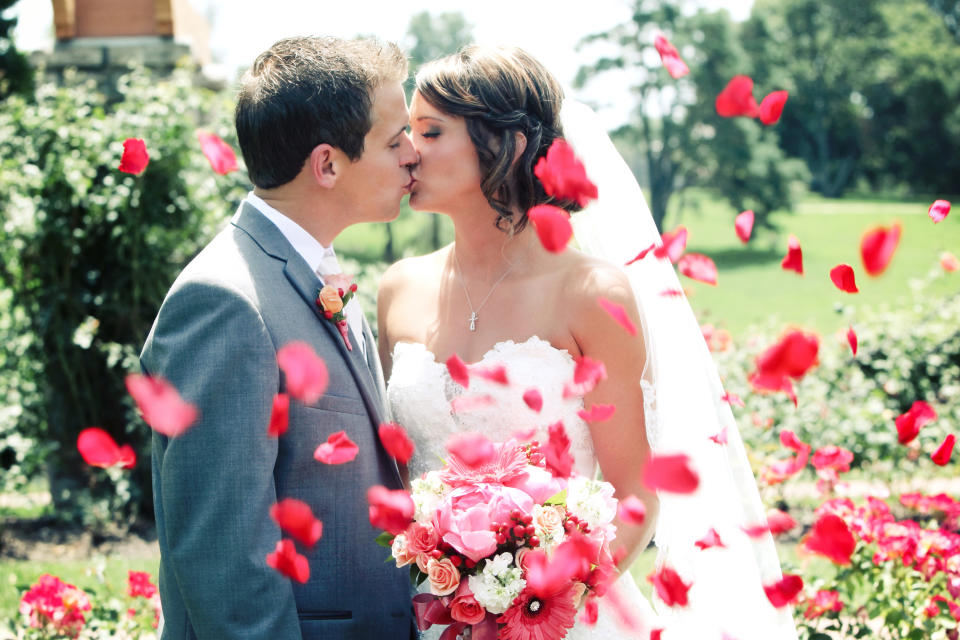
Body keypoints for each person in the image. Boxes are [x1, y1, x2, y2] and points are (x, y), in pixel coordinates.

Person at [379, 46, 799, 639]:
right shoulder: (398, 289)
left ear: (509, 145)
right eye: (406, 130)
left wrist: (532, 611)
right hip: (426, 615)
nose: (408, 150)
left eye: (430, 130)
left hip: (566, 621)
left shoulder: (590, 291)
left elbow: (634, 499)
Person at [141, 36, 418, 639]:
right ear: (327, 165)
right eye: (395, 140)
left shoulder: (318, 271)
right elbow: (225, 561)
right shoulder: (224, 303)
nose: (413, 154)